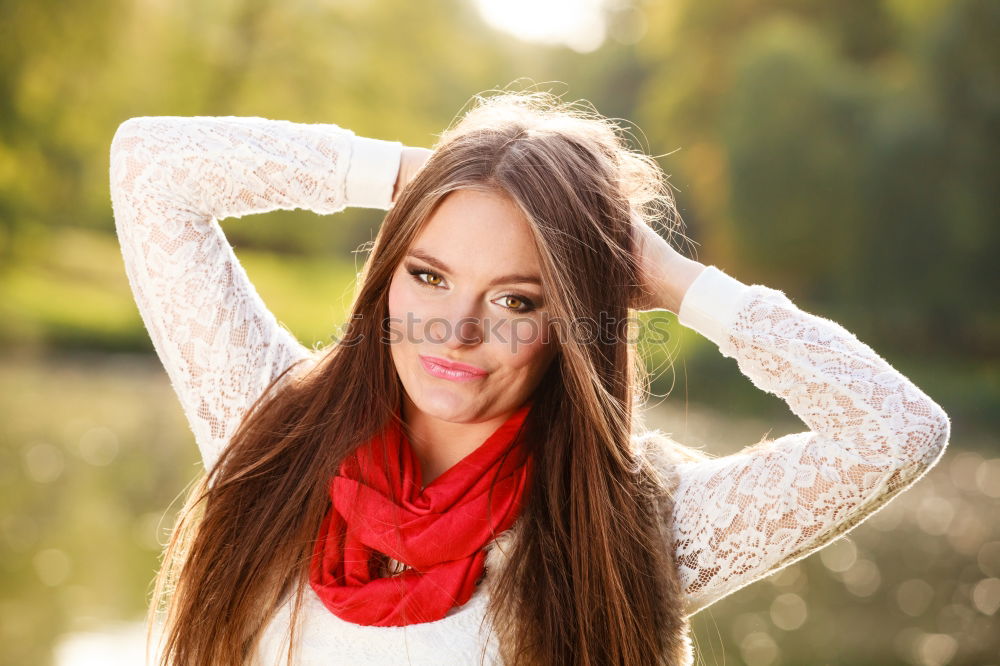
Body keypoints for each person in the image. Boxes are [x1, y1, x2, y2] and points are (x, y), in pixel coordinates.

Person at [108, 90, 951, 666]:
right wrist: (421, 176)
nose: (456, 331)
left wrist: (670, 278)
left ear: (573, 323)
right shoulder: (271, 426)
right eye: (429, 276)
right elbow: (151, 167)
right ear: (387, 272)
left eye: (516, 298)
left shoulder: (630, 523)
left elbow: (895, 432)